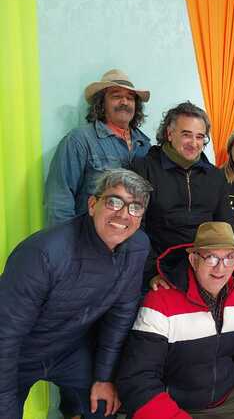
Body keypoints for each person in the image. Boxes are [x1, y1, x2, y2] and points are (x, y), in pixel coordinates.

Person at [0, 169, 152, 419]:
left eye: (135, 207)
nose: (123, 214)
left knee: (105, 406)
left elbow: (121, 315)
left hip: (69, 349)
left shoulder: (138, 246)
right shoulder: (43, 253)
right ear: (92, 205)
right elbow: (6, 334)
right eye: (114, 201)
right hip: (17, 353)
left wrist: (104, 377)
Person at [116, 222, 234, 419]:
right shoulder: (160, 302)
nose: (221, 268)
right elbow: (138, 380)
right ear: (193, 259)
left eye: (229, 257)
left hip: (228, 399)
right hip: (174, 405)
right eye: (211, 257)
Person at [131, 101, 234, 292]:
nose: (194, 143)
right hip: (158, 270)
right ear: (169, 134)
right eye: (186, 135)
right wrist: (152, 272)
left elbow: (226, 228)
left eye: (200, 137)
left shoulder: (216, 176)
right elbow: (136, 228)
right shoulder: (143, 168)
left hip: (207, 269)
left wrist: (226, 269)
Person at [45, 69, 151, 226]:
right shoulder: (80, 140)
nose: (124, 102)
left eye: (130, 98)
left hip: (132, 238)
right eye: (116, 96)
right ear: (101, 103)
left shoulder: (144, 145)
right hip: (89, 238)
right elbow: (59, 198)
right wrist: (66, 244)